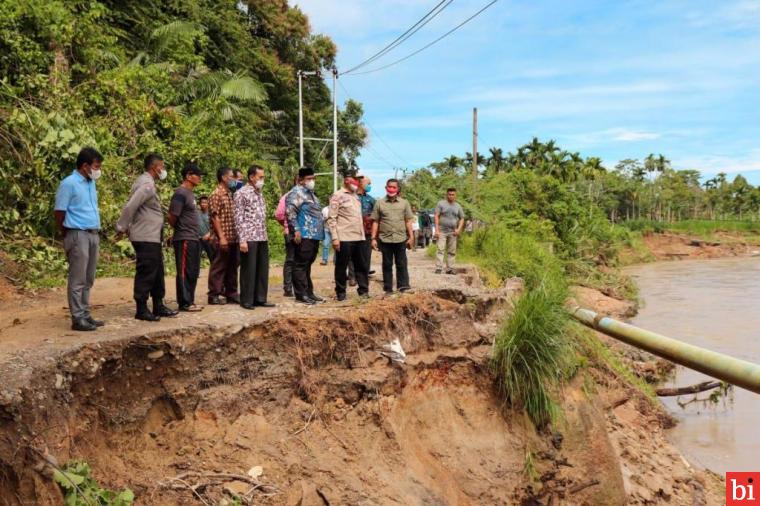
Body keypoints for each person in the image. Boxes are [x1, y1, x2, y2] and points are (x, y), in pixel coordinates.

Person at [116, 153, 178, 322]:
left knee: (157, 271)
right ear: (155, 168)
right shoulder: (146, 185)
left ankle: (158, 304)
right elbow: (131, 206)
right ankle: (141, 308)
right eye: (162, 167)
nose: (163, 170)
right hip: (144, 235)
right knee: (146, 271)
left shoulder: (148, 183)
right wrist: (122, 226)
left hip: (152, 236)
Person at [54, 147, 105, 331]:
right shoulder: (69, 184)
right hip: (78, 234)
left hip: (92, 234)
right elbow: (60, 212)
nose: (98, 170)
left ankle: (85, 313)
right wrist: (66, 232)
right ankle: (77, 318)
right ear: (85, 166)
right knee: (78, 278)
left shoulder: (90, 182)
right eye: (96, 166)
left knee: (88, 277)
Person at [235, 165, 274, 310]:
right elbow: (239, 218)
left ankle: (260, 298)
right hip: (249, 236)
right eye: (260, 177)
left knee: (262, 269)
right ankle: (247, 300)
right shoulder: (242, 193)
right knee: (248, 270)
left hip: (262, 235)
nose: (262, 180)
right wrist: (242, 239)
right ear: (252, 177)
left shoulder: (259, 193)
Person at [286, 167, 325, 305]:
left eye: (313, 178)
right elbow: (290, 212)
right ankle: (301, 294)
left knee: (307, 264)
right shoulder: (295, 193)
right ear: (301, 180)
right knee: (300, 264)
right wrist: (296, 230)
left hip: (314, 235)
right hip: (303, 234)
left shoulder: (311, 194)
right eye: (309, 179)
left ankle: (309, 292)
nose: (312, 181)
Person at [169, 163, 204, 312]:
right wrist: (180, 229)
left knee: (193, 270)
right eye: (198, 175)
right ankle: (184, 302)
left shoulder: (190, 193)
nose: (200, 178)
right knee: (184, 270)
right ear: (189, 176)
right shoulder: (180, 193)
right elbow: (172, 216)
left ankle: (190, 300)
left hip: (193, 238)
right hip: (184, 237)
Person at [327, 175, 369, 301]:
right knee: (341, 266)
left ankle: (363, 291)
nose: (356, 185)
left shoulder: (356, 196)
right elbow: (332, 218)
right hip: (344, 237)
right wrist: (335, 238)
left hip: (359, 236)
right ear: (346, 182)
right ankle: (340, 292)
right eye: (354, 182)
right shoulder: (337, 196)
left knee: (361, 266)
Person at [371, 179, 414, 294]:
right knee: (387, 264)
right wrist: (373, 238)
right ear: (386, 188)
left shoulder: (404, 203)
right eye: (389, 187)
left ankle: (403, 286)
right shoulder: (379, 203)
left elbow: (408, 221)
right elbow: (375, 221)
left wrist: (411, 237)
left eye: (394, 187)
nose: (391, 189)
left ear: (398, 189)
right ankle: (388, 288)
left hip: (401, 238)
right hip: (385, 239)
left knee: (401, 263)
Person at [207, 167, 240, 305]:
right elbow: (215, 217)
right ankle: (214, 294)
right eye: (232, 177)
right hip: (222, 238)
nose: (235, 180)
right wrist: (222, 237)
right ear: (224, 177)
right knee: (219, 266)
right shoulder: (216, 194)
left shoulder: (230, 194)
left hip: (233, 237)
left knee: (232, 267)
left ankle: (231, 293)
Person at [347, 174, 376, 284]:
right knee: (351, 255)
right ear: (360, 183)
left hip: (366, 231)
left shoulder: (371, 200)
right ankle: (352, 277)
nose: (369, 185)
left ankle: (364, 277)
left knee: (366, 255)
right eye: (368, 183)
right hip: (352, 230)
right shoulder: (350, 197)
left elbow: (375, 216)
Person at [274, 178, 297, 297]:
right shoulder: (287, 197)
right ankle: (288, 288)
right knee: (291, 259)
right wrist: (286, 225)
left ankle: (298, 287)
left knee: (297, 261)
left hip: (305, 234)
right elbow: (278, 215)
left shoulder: (309, 196)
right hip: (291, 233)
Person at [435, 187, 465, 274]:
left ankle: (450, 268)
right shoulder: (441, 204)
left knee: (452, 251)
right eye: (449, 194)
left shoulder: (458, 206)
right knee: (440, 249)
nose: (451, 196)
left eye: (453, 194)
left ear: (455, 195)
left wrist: (459, 229)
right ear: (446, 194)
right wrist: (436, 230)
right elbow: (436, 216)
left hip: (453, 232)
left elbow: (462, 218)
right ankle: (439, 268)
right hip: (442, 231)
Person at [198, 196, 216, 262]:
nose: (203, 204)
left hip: (209, 239)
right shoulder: (196, 213)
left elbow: (215, 226)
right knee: (196, 258)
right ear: (199, 204)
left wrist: (209, 234)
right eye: (202, 202)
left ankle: (214, 272)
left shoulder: (211, 214)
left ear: (208, 203)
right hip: (198, 239)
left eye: (205, 202)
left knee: (212, 258)